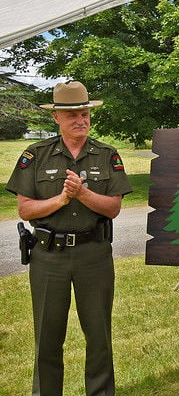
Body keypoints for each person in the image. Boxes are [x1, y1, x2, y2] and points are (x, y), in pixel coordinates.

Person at [6, 81, 132, 396]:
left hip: (94, 255)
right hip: (49, 258)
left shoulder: (106, 155)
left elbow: (113, 208)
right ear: (57, 118)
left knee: (99, 337)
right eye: (73, 114)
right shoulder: (35, 155)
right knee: (47, 338)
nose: (81, 120)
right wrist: (61, 200)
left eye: (85, 113)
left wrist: (83, 193)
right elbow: (25, 209)